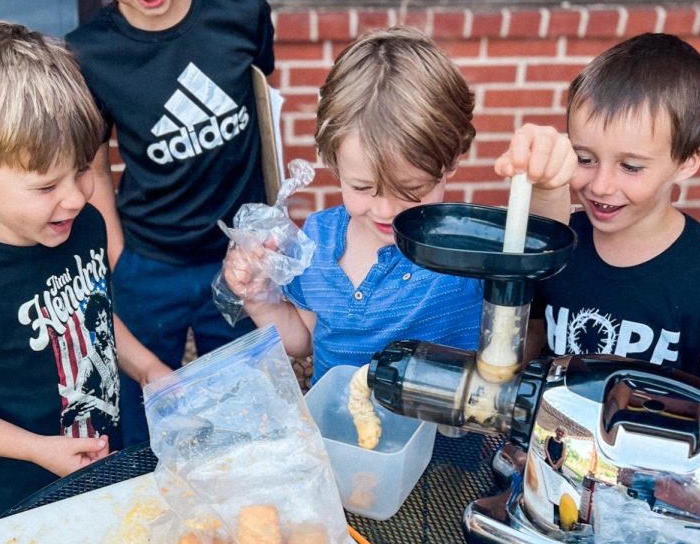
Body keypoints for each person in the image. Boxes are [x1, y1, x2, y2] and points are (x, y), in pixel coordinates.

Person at [53, 0, 275, 442]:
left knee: (243, 402)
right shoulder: (89, 54)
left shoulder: (240, 9)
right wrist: (117, 253)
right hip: (147, 259)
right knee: (138, 409)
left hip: (235, 258)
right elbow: (92, 161)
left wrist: (268, 225)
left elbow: (263, 111)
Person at [0, 21, 171, 525]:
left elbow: (93, 315)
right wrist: (35, 448)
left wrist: (149, 369)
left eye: (82, 169)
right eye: (46, 186)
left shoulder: (81, 225)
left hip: (101, 464)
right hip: (22, 497)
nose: (76, 196)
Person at [223, 27, 576, 382]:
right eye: (363, 187)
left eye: (410, 190)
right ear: (333, 162)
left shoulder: (467, 241)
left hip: (444, 435)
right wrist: (261, 300)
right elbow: (304, 337)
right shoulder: (317, 239)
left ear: (450, 162)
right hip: (339, 432)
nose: (385, 210)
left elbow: (536, 244)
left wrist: (547, 185)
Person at [511, 33, 700, 385]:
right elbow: (526, 337)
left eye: (631, 166)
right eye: (585, 158)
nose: (600, 185)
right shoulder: (560, 243)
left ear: (688, 160)